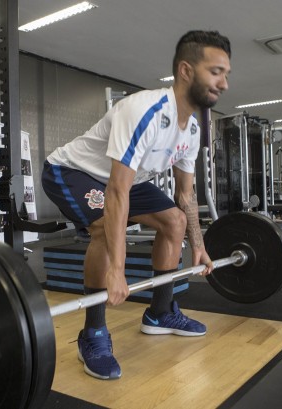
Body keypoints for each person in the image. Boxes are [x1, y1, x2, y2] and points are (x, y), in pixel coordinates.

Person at [41, 30, 229, 380]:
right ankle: (93, 334)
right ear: (186, 71)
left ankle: (159, 313)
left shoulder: (192, 129)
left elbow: (186, 196)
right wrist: (116, 269)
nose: (224, 83)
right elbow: (116, 193)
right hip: (74, 172)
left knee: (174, 222)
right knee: (103, 229)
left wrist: (200, 246)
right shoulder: (144, 110)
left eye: (226, 74)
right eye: (215, 71)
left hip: (127, 180)